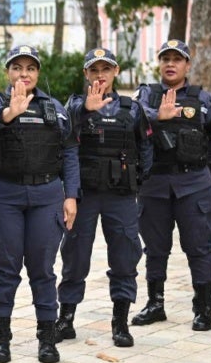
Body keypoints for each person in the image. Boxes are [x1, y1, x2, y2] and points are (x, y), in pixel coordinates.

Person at [0, 45, 78, 363]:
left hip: (46, 195)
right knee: (5, 270)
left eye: (30, 68)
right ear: (8, 72)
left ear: (38, 73)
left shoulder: (54, 107)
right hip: (5, 195)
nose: (24, 74)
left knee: (42, 270)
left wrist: (71, 195)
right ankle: (1, 339)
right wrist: (12, 111)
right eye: (17, 68)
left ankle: (47, 340)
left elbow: (70, 152)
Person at [57, 48, 152, 347]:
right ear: (86, 74)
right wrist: (85, 109)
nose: (100, 75)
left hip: (120, 196)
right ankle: (66, 319)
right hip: (85, 195)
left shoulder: (132, 109)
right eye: (94, 69)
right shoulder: (74, 105)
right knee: (74, 256)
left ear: (115, 72)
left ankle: (120, 322)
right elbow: (63, 135)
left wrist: (136, 181)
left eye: (106, 69)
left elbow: (146, 148)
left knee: (125, 256)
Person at [132, 40, 211, 332]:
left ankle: (202, 308)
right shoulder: (146, 96)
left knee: (199, 247)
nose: (171, 64)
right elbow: (133, 119)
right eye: (166, 59)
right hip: (155, 184)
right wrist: (156, 115)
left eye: (177, 59)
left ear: (188, 65)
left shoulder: (204, 99)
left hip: (194, 184)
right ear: (159, 64)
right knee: (155, 248)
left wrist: (197, 161)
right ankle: (155, 304)